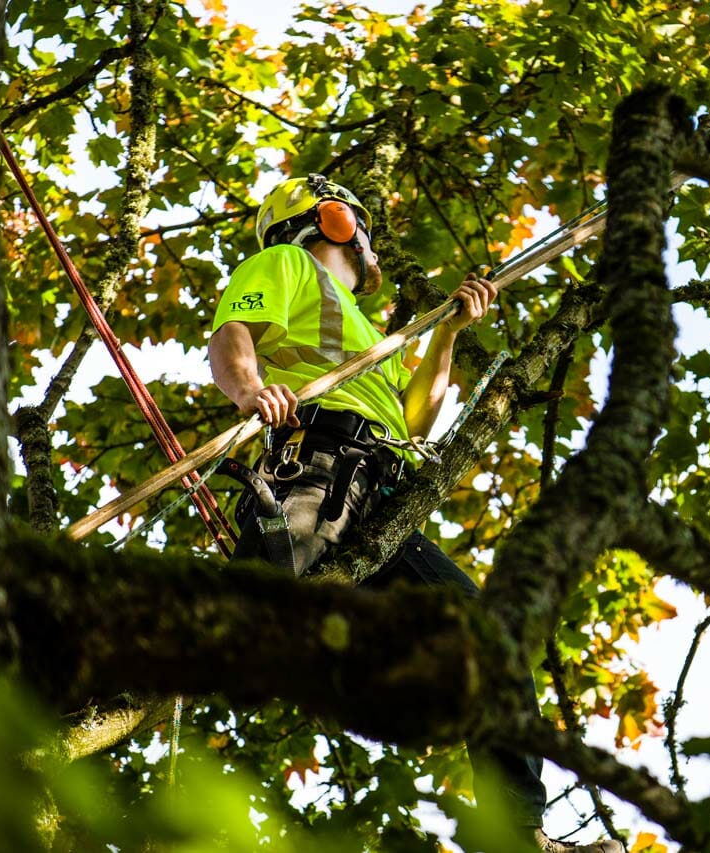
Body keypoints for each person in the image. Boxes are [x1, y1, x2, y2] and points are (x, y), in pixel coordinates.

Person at [209, 174, 625, 853]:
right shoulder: (284, 263)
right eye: (360, 226)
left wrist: (450, 335)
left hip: (378, 491)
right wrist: (253, 391)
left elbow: (414, 423)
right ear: (333, 221)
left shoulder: (369, 329)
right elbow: (233, 335)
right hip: (317, 468)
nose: (368, 241)